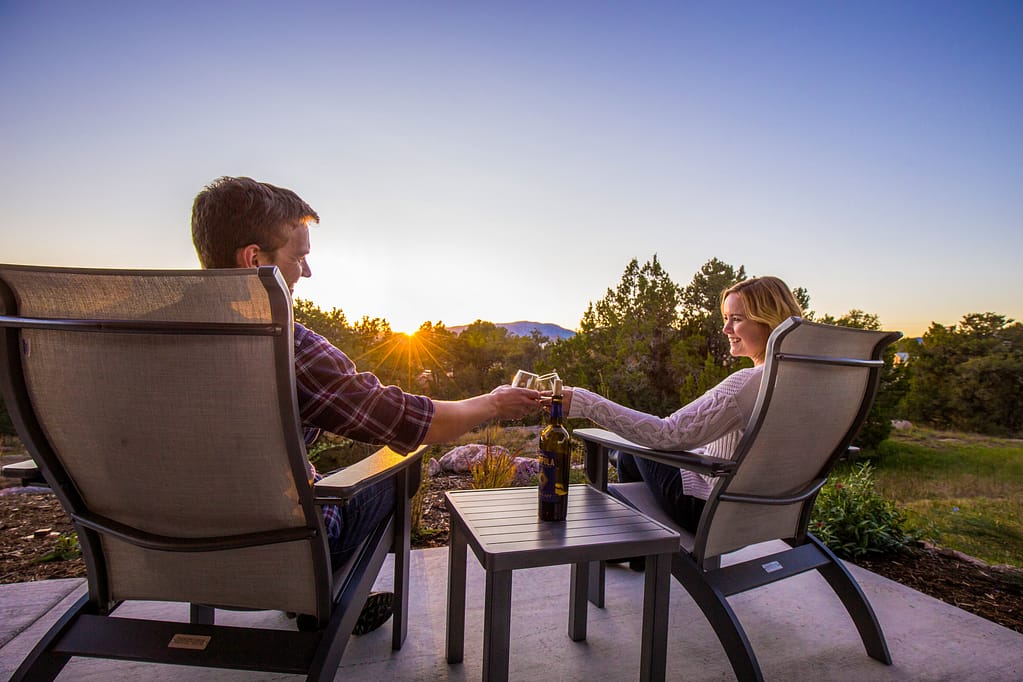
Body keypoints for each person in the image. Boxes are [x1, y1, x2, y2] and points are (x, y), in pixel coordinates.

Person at [191, 176, 540, 633]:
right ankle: (326, 599)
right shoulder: (288, 347)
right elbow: (408, 422)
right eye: (298, 257)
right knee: (400, 468)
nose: (306, 273)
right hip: (282, 550)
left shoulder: (121, 338)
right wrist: (492, 404)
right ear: (255, 260)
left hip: (158, 550)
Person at [560, 276, 802, 535]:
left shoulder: (749, 383)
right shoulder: (806, 382)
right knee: (631, 455)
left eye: (736, 319)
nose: (725, 329)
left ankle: (639, 542)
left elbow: (666, 433)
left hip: (713, 514)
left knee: (636, 448)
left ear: (769, 321)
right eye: (725, 318)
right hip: (772, 513)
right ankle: (638, 536)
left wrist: (583, 402)